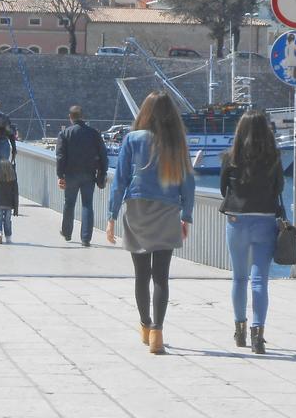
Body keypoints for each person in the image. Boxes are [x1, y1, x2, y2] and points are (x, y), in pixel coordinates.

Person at [106, 91, 195, 355]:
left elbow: (120, 180)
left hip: (137, 209)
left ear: (144, 112)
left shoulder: (132, 139)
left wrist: (111, 216)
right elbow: (188, 183)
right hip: (168, 210)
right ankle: (158, 331)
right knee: (161, 277)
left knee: (141, 274)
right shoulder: (177, 142)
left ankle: (145, 326)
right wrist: (186, 216)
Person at [219, 110, 285, 355]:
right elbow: (279, 187)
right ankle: (259, 334)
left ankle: (240, 331)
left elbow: (223, 187)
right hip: (265, 220)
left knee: (239, 277)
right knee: (260, 279)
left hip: (237, 220)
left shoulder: (230, 157)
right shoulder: (274, 158)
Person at [56, 105, 109, 247]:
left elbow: (60, 156)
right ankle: (86, 238)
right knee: (87, 205)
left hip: (70, 174)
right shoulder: (93, 133)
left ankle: (67, 233)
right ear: (82, 116)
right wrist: (102, 173)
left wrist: (60, 175)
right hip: (89, 174)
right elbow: (103, 155)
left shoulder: (65, 134)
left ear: (70, 117)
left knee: (69, 203)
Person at [0, 160, 19, 243]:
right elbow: (15, 193)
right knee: (7, 220)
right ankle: (8, 236)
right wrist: (16, 208)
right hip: (8, 204)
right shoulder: (12, 180)